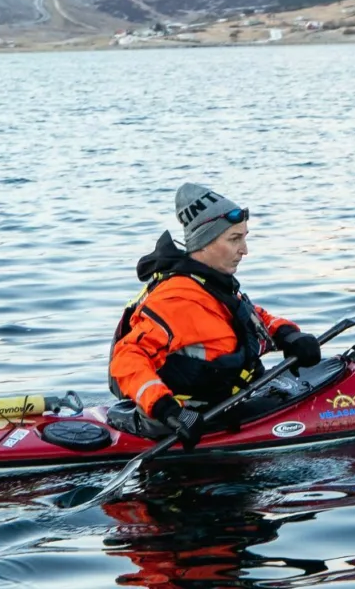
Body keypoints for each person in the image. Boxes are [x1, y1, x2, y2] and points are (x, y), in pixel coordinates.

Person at [108, 184, 322, 436]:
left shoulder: (210, 284)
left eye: (244, 237)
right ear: (205, 243)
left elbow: (250, 318)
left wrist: (288, 335)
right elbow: (127, 357)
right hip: (187, 421)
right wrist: (168, 409)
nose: (245, 250)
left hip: (230, 402)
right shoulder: (176, 298)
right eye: (234, 239)